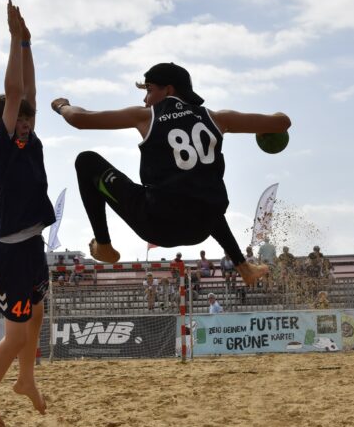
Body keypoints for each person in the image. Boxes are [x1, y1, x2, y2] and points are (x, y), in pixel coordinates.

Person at [51, 62, 281, 288]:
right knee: (200, 192)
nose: (145, 99)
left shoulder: (146, 116)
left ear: (168, 90)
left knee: (86, 161)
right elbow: (282, 122)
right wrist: (264, 127)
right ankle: (243, 267)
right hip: (201, 228)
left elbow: (79, 120)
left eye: (149, 90)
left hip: (157, 224)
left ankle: (103, 244)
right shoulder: (218, 118)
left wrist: (63, 106)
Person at [0, 1, 54, 427]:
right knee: (17, 334)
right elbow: (17, 92)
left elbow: (31, 95)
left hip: (33, 245)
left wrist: (27, 42)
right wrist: (11, 41)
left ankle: (25, 380)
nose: (26, 121)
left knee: (37, 317)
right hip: (11, 253)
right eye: (19, 118)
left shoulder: (30, 142)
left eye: (27, 119)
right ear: (2, 123)